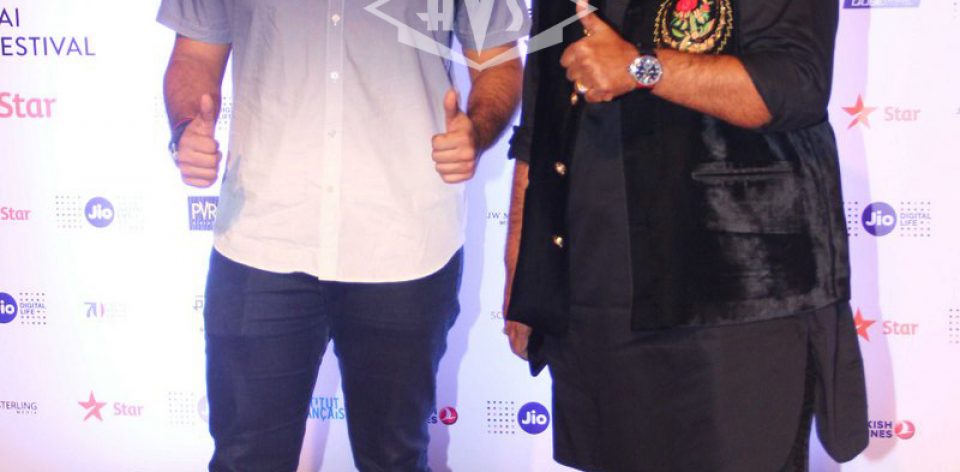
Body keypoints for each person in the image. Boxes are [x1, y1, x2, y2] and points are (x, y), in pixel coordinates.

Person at [157, 1, 525, 470]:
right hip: (262, 237)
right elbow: (194, 55)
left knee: (396, 460)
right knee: (245, 460)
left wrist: (476, 131)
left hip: (404, 241)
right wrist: (186, 127)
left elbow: (498, 60)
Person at [504, 0, 868, 470]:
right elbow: (541, 118)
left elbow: (796, 83)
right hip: (597, 293)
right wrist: (523, 263)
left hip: (734, 295)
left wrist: (641, 69)